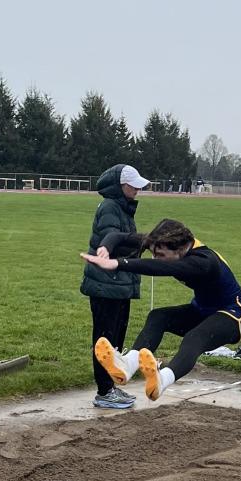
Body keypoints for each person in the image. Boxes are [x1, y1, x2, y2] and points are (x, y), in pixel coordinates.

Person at [83, 218, 241, 401]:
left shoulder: (204, 261)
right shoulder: (164, 244)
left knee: (194, 337)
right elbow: (116, 236)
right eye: (154, 253)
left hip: (233, 315)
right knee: (158, 316)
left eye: (160, 254)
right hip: (202, 311)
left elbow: (163, 267)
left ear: (180, 250)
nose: (156, 257)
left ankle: (162, 380)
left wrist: (118, 264)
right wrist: (105, 248)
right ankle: (127, 366)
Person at [80, 164, 146, 409]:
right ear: (121, 186)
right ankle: (104, 390)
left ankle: (110, 386)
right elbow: (113, 241)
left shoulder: (122, 208)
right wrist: (143, 245)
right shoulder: (110, 207)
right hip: (106, 284)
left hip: (118, 283)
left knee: (116, 338)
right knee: (105, 339)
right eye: (133, 185)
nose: (138, 190)